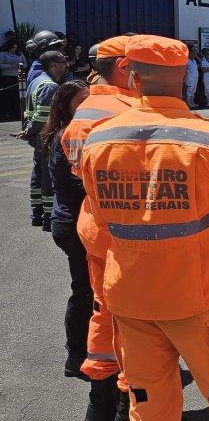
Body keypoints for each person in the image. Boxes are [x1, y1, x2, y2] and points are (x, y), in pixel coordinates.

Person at [79, 35, 209, 420]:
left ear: (134, 78)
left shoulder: (100, 138)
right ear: (183, 80)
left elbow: (98, 225)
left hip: (129, 297)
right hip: (197, 296)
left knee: (148, 402)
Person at [61, 36, 138, 414]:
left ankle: (101, 400)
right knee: (137, 322)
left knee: (103, 309)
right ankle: (128, 398)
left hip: (95, 226)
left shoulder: (85, 109)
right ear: (125, 67)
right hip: (129, 234)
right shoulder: (130, 109)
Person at [42, 81, 93, 384]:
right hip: (71, 224)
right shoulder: (66, 135)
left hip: (70, 221)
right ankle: (76, 357)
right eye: (81, 101)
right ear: (66, 105)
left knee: (86, 290)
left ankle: (83, 354)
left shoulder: (69, 132)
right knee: (84, 291)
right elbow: (68, 186)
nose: (88, 105)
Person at [20, 49, 67, 229]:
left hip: (37, 137)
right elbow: (42, 117)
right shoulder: (50, 86)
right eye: (62, 62)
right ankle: (48, 216)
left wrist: (28, 131)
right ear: (53, 65)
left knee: (38, 173)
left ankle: (37, 211)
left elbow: (30, 112)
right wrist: (30, 131)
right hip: (45, 136)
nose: (65, 65)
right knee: (48, 175)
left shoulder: (35, 81)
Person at [0, 38, 26, 120]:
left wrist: (20, 66)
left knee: (17, 95)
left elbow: (25, 63)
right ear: (9, 47)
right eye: (13, 48)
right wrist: (11, 66)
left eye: (16, 47)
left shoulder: (19, 54)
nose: (14, 49)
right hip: (7, 76)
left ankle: (17, 112)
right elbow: (0, 64)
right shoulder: (3, 54)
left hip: (18, 76)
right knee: (8, 95)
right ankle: (7, 113)